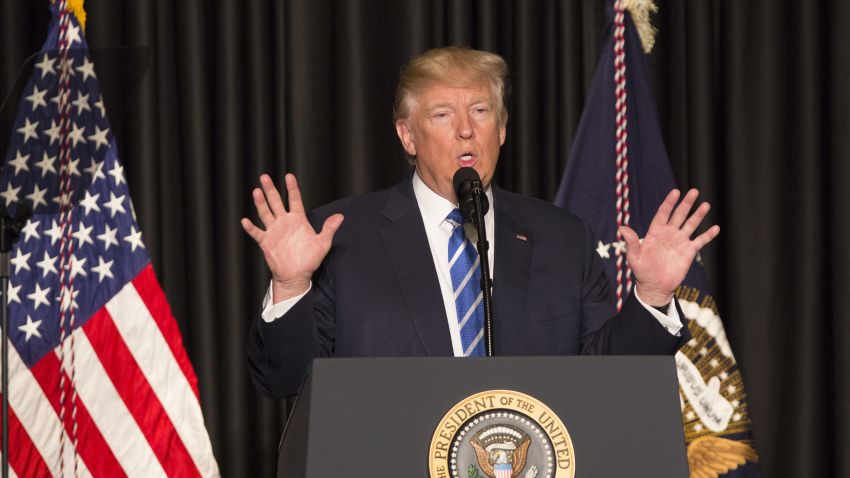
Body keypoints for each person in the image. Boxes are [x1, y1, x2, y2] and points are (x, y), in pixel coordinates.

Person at [242, 47, 719, 399]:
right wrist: (290, 285)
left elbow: (609, 383)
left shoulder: (562, 237)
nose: (466, 129)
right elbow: (285, 381)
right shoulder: (341, 238)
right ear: (407, 135)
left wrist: (652, 298)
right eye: (443, 114)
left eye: (481, 111)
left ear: (503, 129)